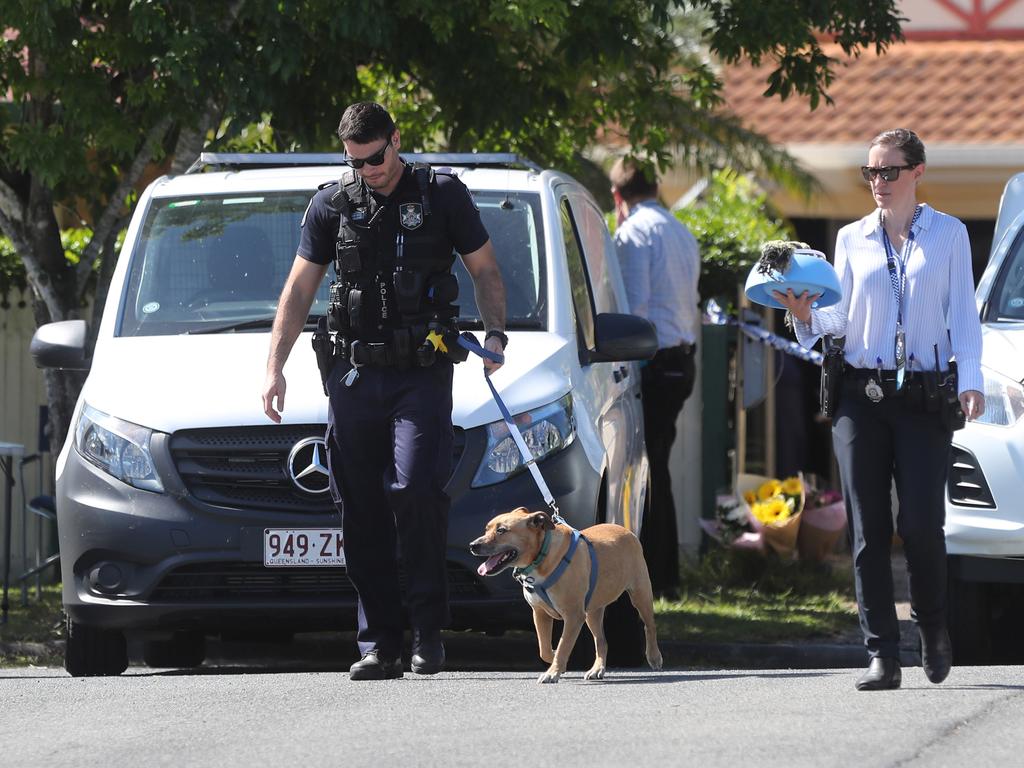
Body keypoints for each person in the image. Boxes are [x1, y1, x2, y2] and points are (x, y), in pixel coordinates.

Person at [262, 102, 507, 680]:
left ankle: (427, 634)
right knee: (361, 508)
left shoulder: (442, 194)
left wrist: (495, 333)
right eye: (355, 161)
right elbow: (299, 289)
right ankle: (380, 643)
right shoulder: (331, 202)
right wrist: (274, 365)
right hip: (353, 376)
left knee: (416, 488)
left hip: (420, 373)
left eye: (376, 158)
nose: (368, 170)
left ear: (397, 140)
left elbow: (486, 270)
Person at [775, 128, 985, 691]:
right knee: (868, 528)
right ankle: (881, 654)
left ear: (917, 172)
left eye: (889, 172)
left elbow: (963, 313)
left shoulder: (950, 235)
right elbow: (838, 323)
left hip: (923, 396)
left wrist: (972, 380)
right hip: (859, 396)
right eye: (871, 173)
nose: (879, 184)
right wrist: (802, 314)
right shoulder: (851, 238)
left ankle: (933, 630)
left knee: (921, 523)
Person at [610, 157, 700, 600]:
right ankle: (664, 577)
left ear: (617, 196)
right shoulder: (678, 229)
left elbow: (634, 311)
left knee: (646, 473)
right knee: (657, 468)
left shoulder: (632, 233)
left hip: (656, 362)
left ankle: (658, 577)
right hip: (682, 359)